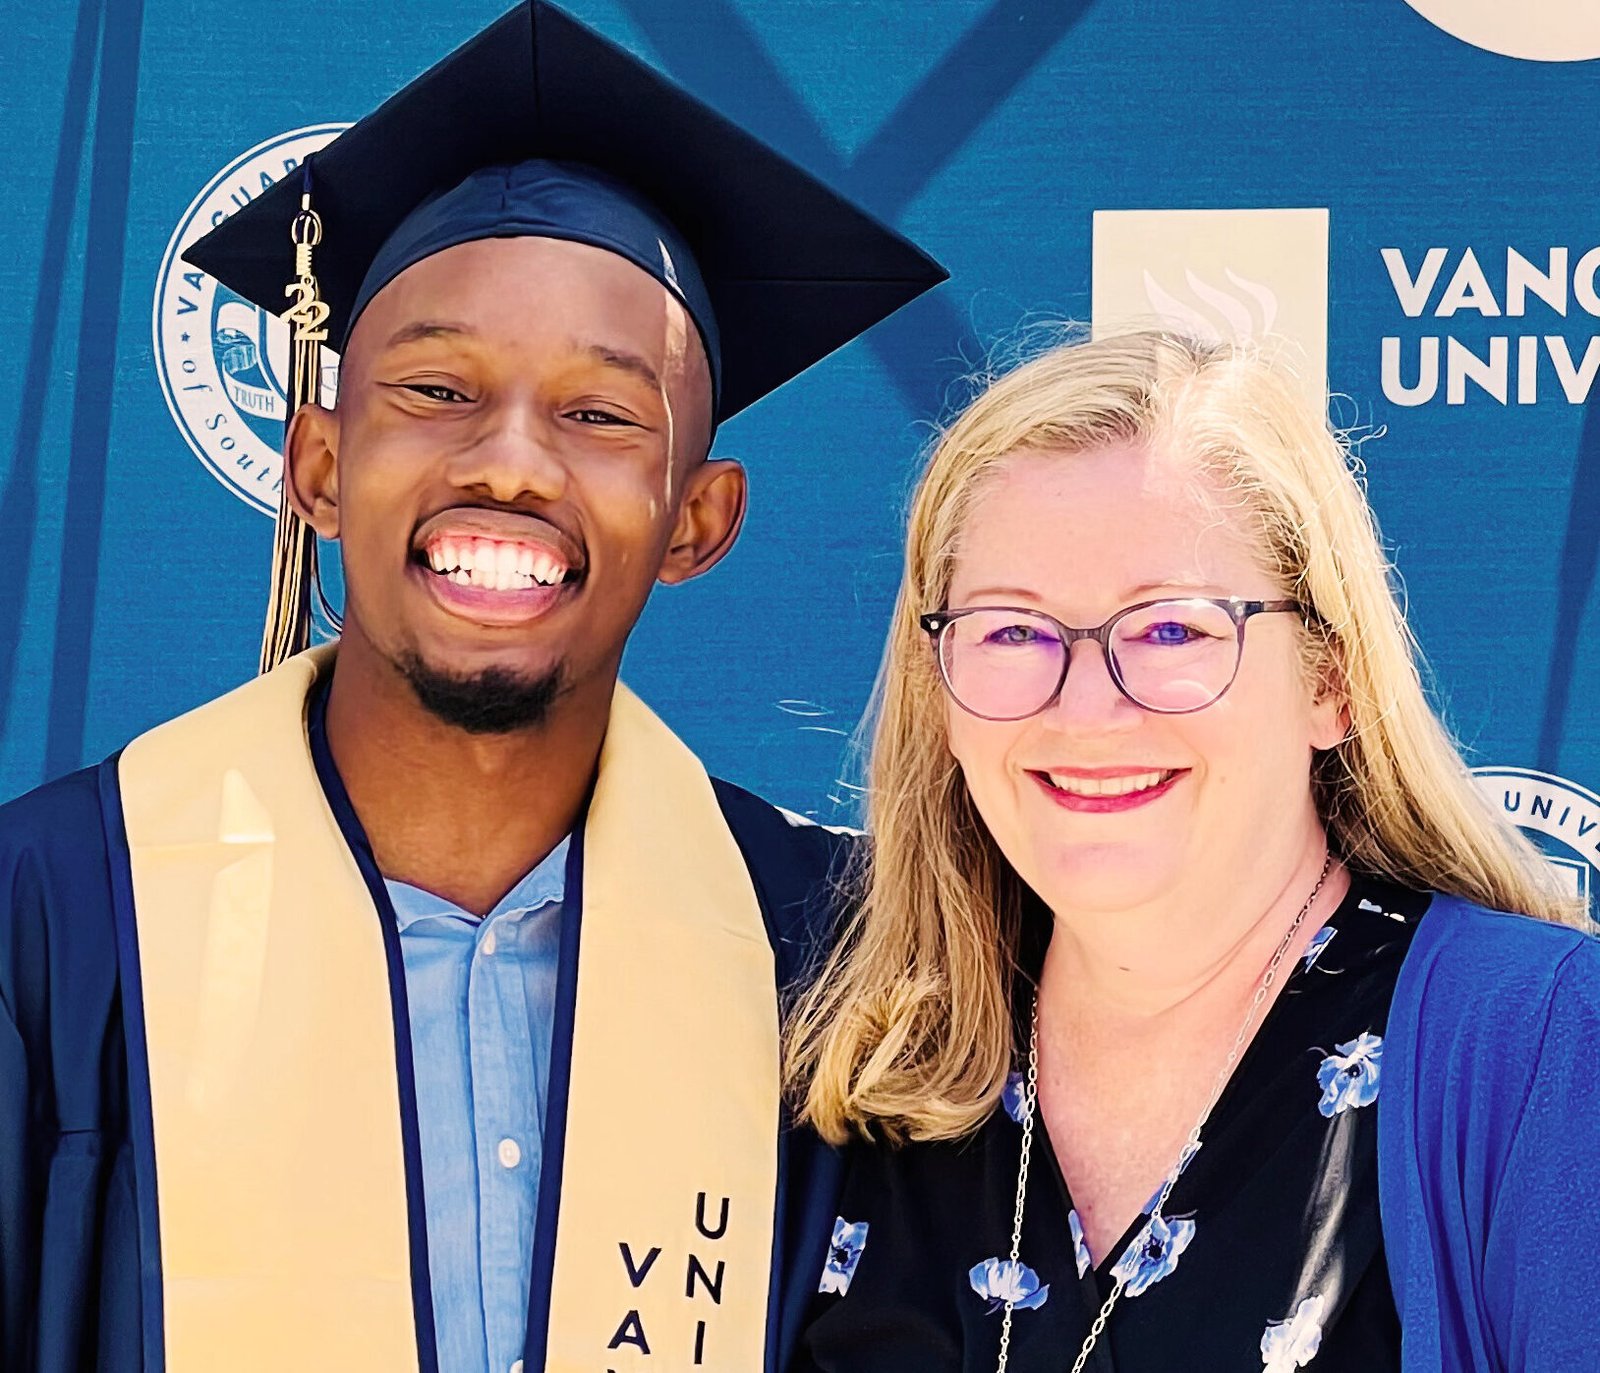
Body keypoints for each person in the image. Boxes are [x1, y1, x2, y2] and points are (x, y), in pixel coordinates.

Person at [0, 5, 945, 1371]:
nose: (509, 463)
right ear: (317, 467)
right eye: (438, 390)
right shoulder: (62, 921)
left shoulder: (833, 960)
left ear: (698, 520)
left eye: (601, 413)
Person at [783, 330, 1600, 1372]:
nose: (1084, 709)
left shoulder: (1542, 1055)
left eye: (1170, 630)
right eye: (1010, 630)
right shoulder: (855, 1089)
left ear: (1328, 681)